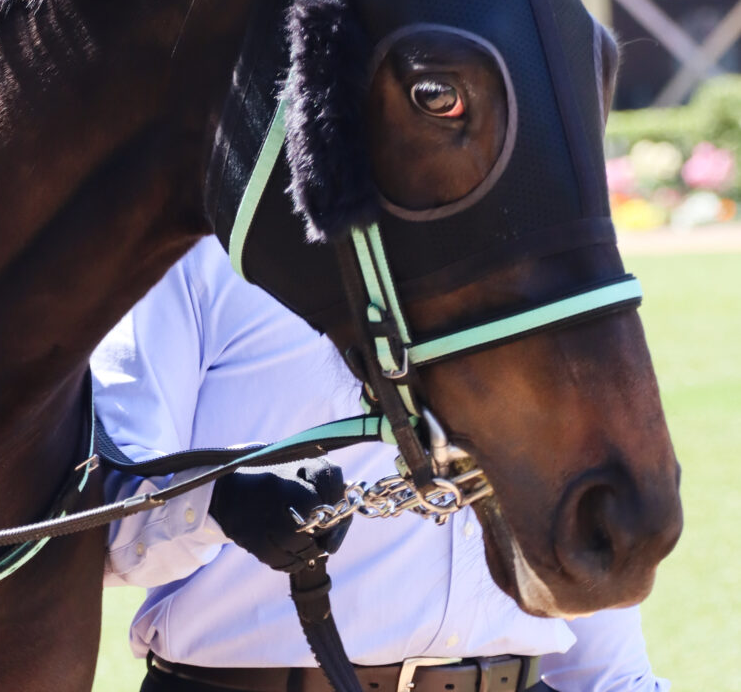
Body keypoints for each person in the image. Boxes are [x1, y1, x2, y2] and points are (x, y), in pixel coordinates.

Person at [92, 236, 669, 692]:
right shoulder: (194, 255)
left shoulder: (529, 253)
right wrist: (220, 506)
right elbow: (101, 522)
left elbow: (575, 521)